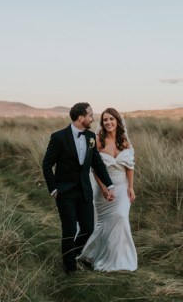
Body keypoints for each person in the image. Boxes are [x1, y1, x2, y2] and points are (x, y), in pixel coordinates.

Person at [42, 102, 116, 274]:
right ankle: (69, 269)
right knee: (68, 230)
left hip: (84, 191)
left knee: (88, 228)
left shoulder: (91, 137)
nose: (93, 118)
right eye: (90, 115)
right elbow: (47, 165)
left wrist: (109, 184)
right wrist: (53, 189)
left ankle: (72, 253)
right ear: (81, 118)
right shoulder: (59, 137)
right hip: (65, 192)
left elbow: (97, 164)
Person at [78, 107, 137, 272]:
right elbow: (93, 168)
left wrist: (131, 187)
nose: (108, 122)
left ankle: (121, 259)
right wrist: (103, 188)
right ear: (102, 123)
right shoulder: (98, 141)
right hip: (103, 189)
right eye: (105, 120)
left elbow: (130, 167)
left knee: (121, 217)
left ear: (117, 121)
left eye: (111, 119)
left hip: (123, 188)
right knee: (104, 224)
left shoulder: (124, 141)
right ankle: (99, 255)